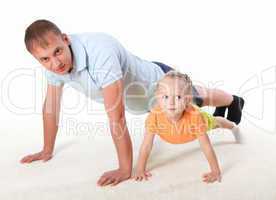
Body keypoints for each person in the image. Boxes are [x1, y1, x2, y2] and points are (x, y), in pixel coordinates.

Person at [20, 19, 244, 186]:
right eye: (45, 59)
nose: (55, 62)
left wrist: (125, 169)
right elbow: (51, 109)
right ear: (38, 59)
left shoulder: (100, 52)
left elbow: (115, 116)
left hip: (160, 85)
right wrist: (46, 150)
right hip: (138, 100)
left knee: (199, 98)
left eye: (57, 51)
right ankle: (229, 102)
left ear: (66, 39)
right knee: (199, 97)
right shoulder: (53, 67)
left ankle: (234, 100)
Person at [133, 71, 242, 183]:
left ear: (188, 100)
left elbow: (206, 146)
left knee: (216, 121)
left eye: (178, 97)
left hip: (198, 123)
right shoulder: (154, 116)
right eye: (165, 96)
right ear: (157, 97)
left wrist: (215, 171)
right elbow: (146, 145)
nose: (171, 102)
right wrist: (140, 169)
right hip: (171, 133)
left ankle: (233, 127)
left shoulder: (195, 117)